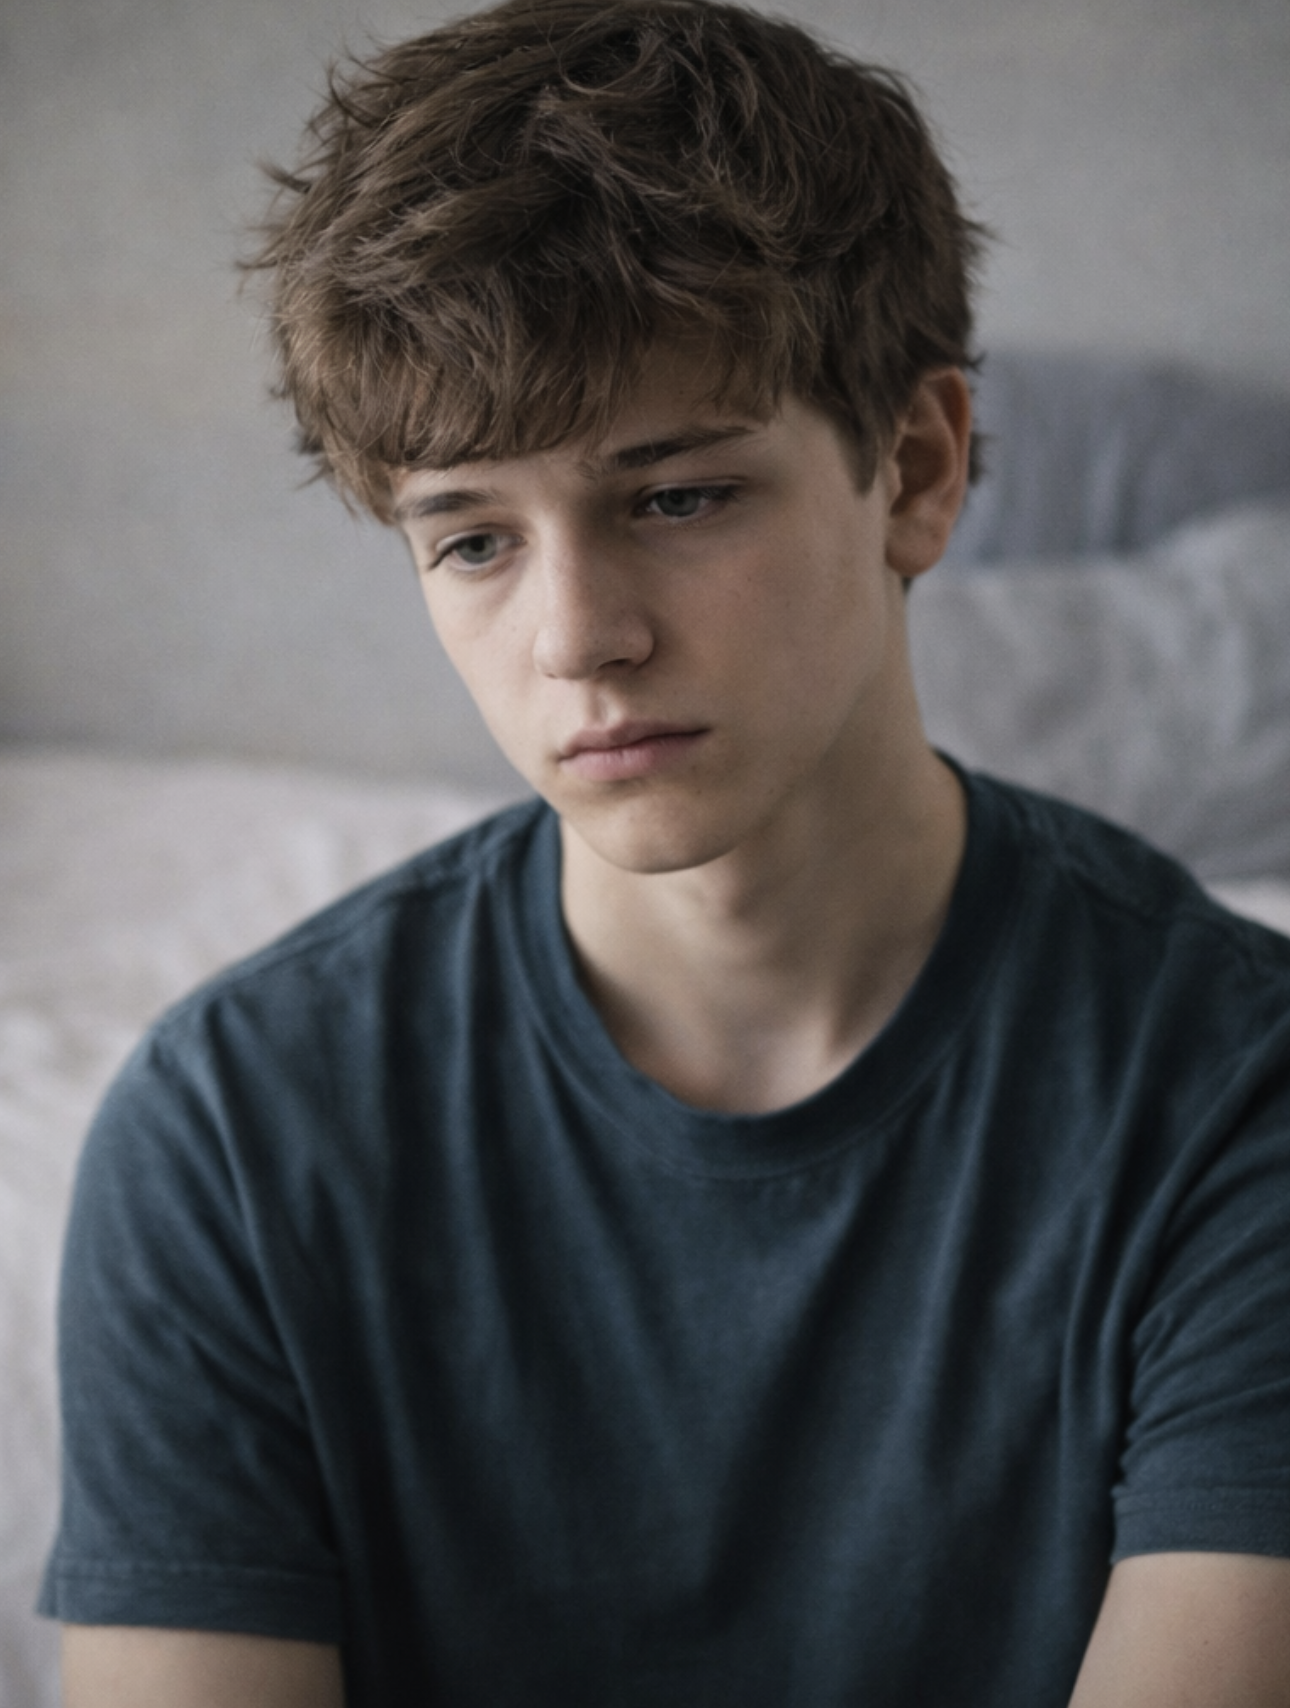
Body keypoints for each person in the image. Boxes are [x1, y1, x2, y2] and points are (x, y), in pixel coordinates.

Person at [40, 0, 1290, 1702]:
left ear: (915, 468)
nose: (575, 640)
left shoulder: (1233, 1092)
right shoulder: (232, 1137)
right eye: (472, 538)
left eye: (676, 497)